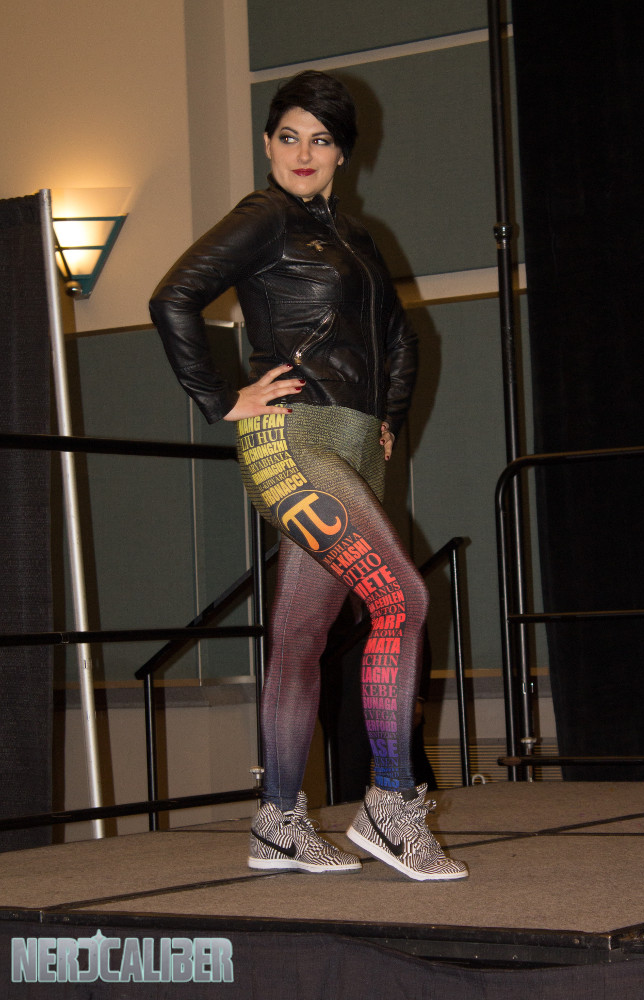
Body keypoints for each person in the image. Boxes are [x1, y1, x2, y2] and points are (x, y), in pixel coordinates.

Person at [150, 70, 467, 882]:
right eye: (288, 136)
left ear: (341, 153)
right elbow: (173, 297)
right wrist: (223, 398)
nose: (302, 152)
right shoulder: (264, 216)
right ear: (266, 143)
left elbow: (403, 338)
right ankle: (390, 805)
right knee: (402, 598)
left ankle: (278, 824)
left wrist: (388, 416)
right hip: (292, 439)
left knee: (299, 638)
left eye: (319, 139)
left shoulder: (357, 237)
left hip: (352, 446)